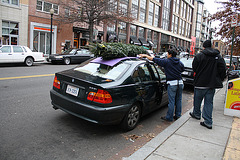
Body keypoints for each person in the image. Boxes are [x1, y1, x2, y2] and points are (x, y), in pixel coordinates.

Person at [139, 49, 185, 121]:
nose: (167, 55)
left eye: (167, 54)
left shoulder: (167, 62)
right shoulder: (179, 62)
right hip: (180, 83)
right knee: (178, 100)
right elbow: (182, 69)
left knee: (171, 101)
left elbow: (154, 59)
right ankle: (178, 115)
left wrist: (145, 55)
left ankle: (169, 117)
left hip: (172, 84)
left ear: (170, 55)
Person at [189, 40, 226, 129]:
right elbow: (223, 69)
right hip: (211, 84)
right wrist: (219, 79)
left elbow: (194, 67)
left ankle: (197, 114)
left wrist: (199, 73)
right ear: (212, 46)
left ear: (203, 47)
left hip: (200, 83)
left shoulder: (199, 56)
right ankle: (208, 121)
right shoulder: (218, 56)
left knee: (197, 100)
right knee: (208, 103)